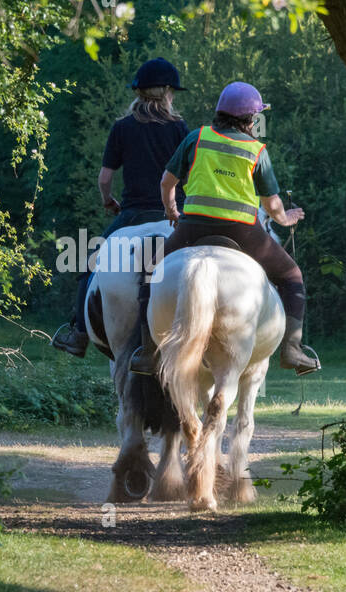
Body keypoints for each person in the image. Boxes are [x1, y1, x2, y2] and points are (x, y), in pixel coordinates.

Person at [128, 80, 320, 376]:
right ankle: (292, 349)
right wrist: (286, 219)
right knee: (292, 275)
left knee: (151, 270)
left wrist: (171, 210)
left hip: (193, 227)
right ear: (250, 119)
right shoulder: (256, 150)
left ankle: (147, 351)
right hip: (244, 232)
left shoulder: (197, 138)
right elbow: (272, 205)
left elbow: (167, 182)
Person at [51, 58, 189, 356]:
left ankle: (78, 334)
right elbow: (187, 176)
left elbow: (104, 179)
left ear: (139, 92)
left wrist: (107, 200)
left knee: (89, 264)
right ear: (166, 92)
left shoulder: (123, 127)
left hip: (132, 215)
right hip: (174, 216)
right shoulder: (180, 128)